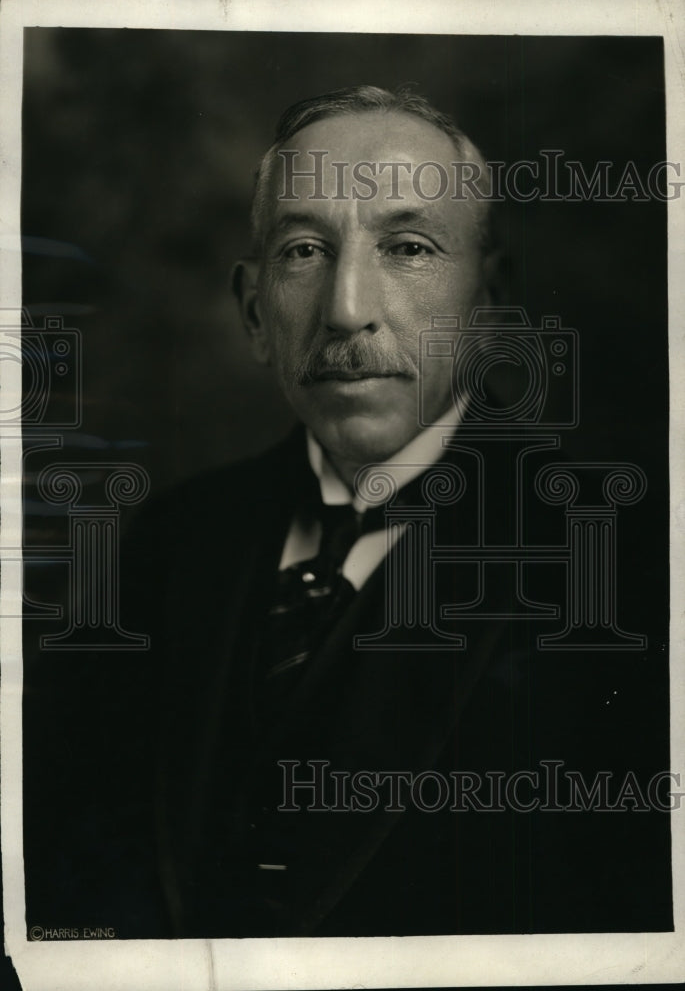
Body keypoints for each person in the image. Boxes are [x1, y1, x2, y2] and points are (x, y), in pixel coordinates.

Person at [24, 86, 672, 940]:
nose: (343, 308)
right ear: (255, 313)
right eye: (302, 251)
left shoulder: (628, 564)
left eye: (407, 247)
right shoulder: (166, 546)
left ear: (487, 303)